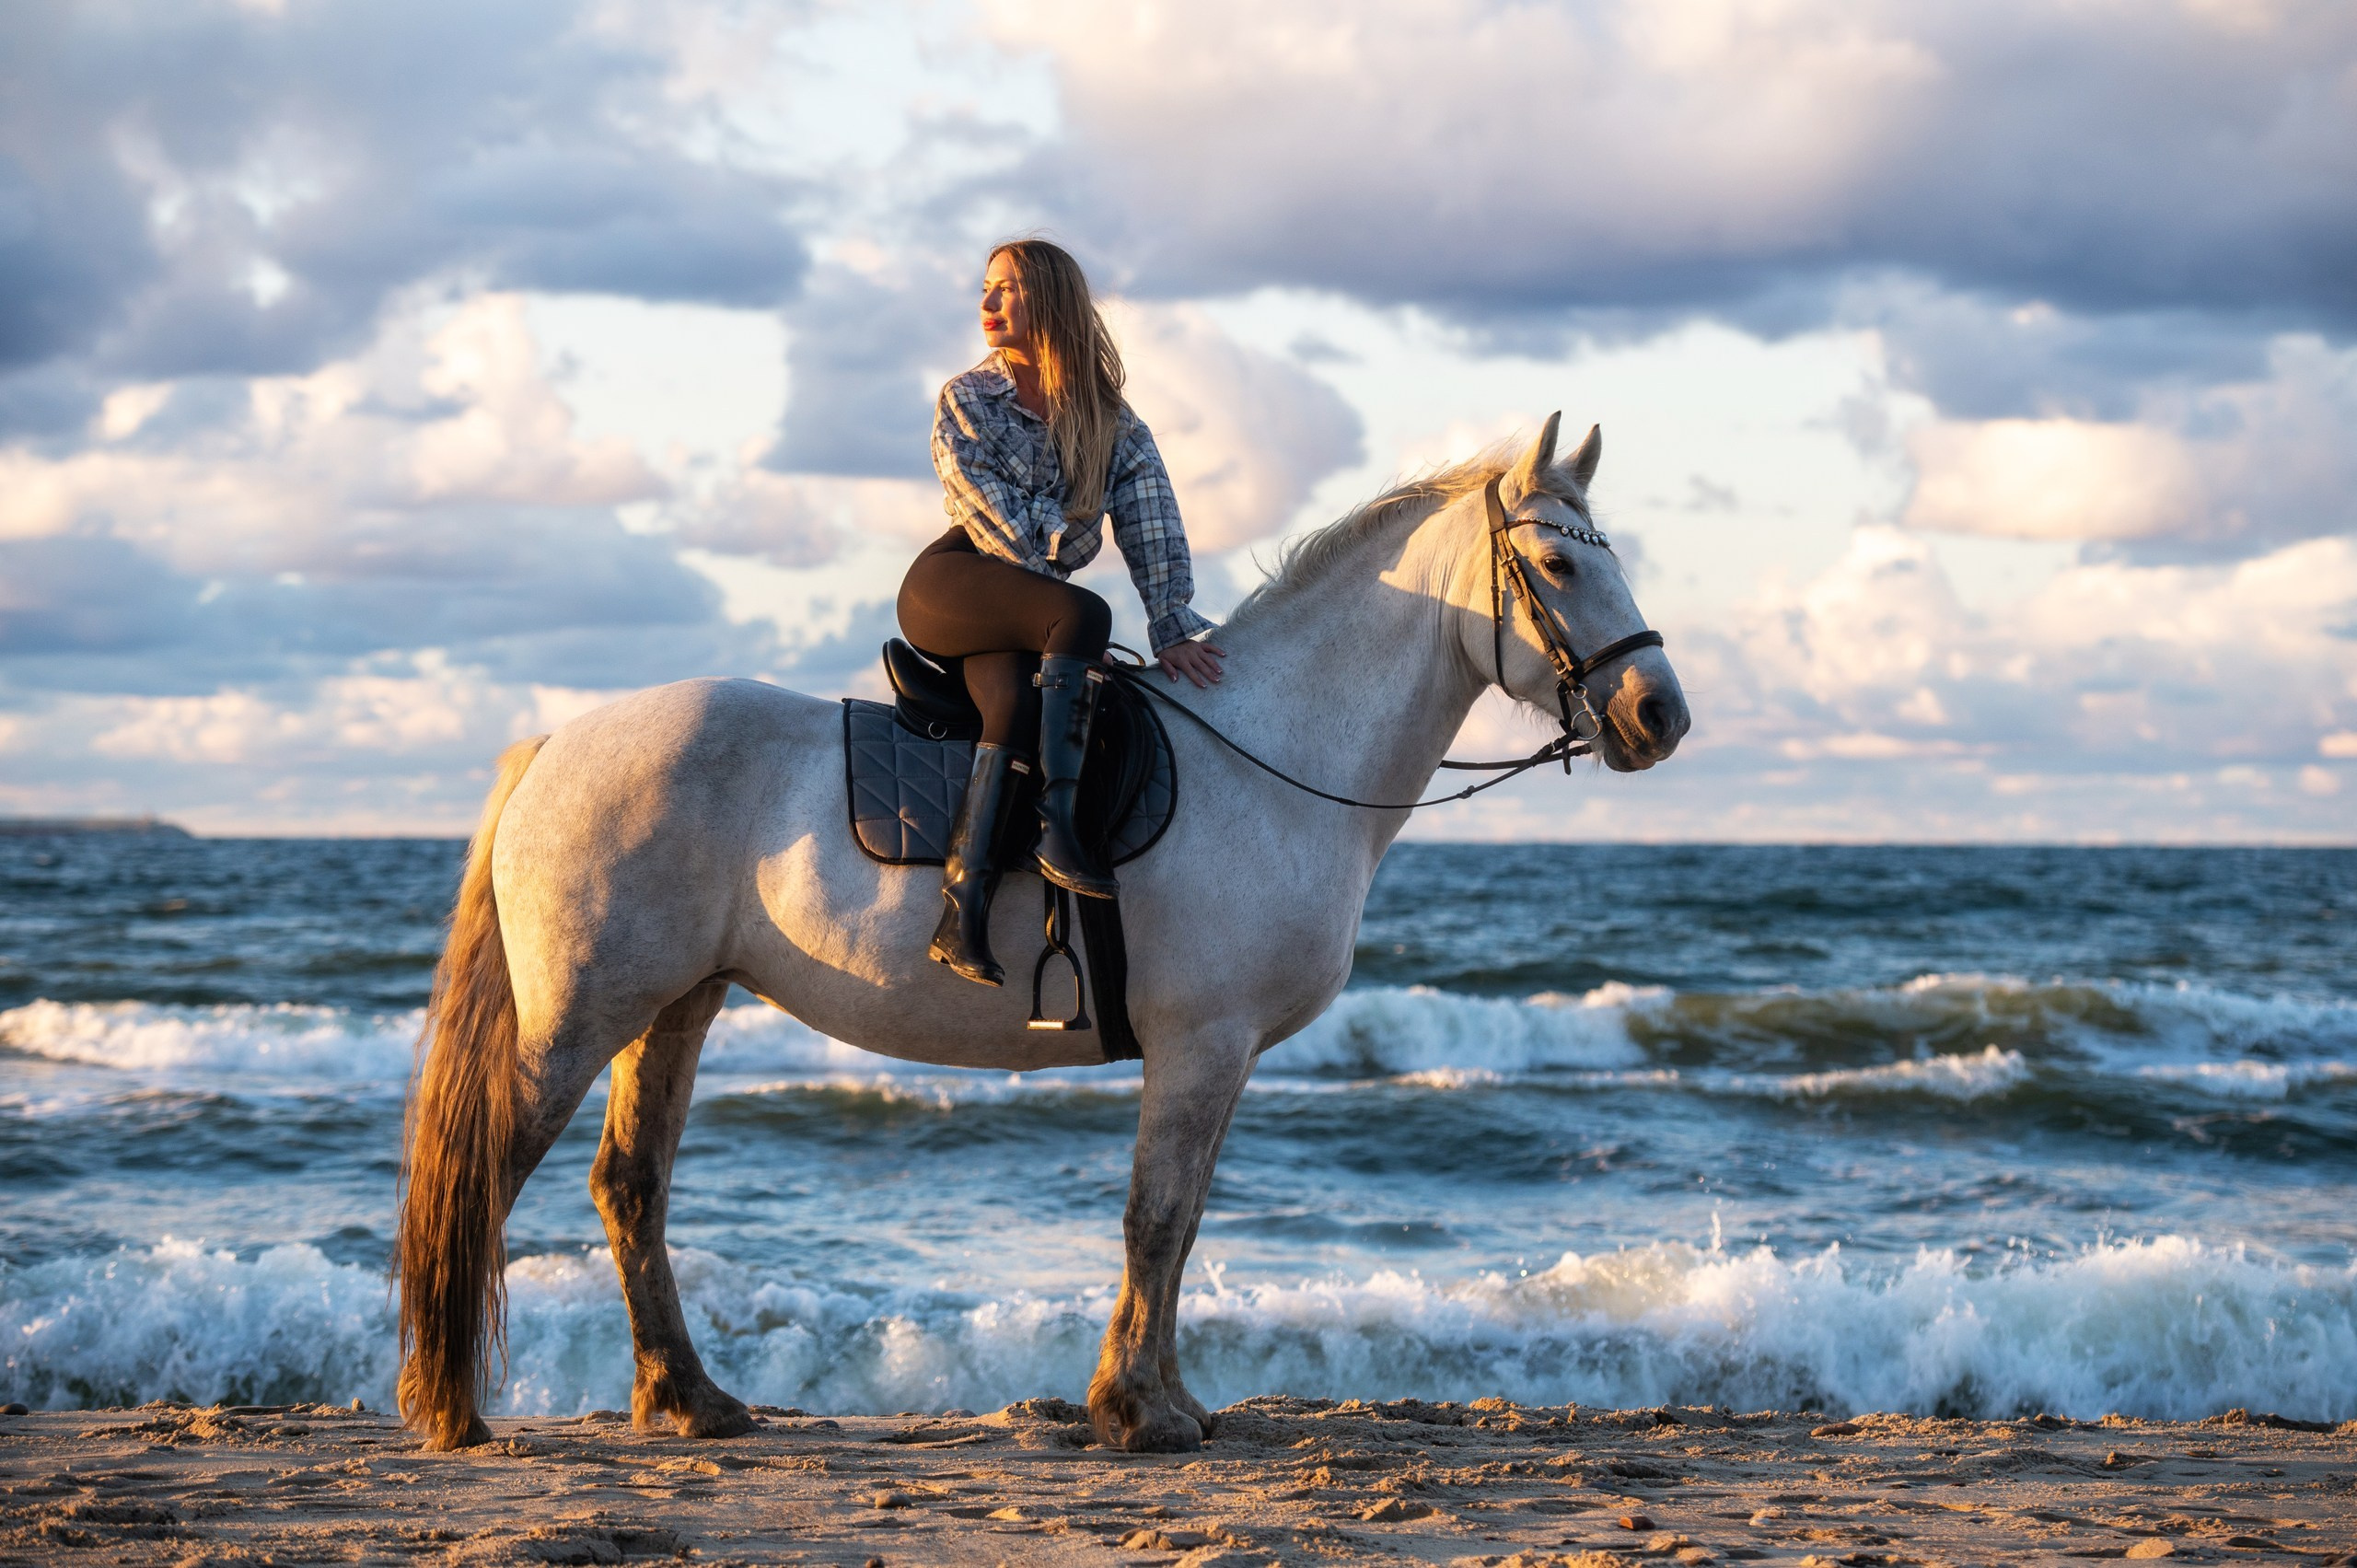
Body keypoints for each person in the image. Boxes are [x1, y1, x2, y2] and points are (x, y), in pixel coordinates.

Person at [897, 238, 1226, 988]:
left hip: (1031, 611)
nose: (987, 303)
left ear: (1048, 299)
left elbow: (1151, 518)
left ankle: (962, 912)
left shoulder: (1110, 420)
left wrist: (1171, 622)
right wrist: (1065, 627)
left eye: (1006, 289)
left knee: (1012, 706)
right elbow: (999, 530)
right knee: (1084, 613)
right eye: (985, 288)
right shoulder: (967, 400)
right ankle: (1061, 830)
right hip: (956, 584)